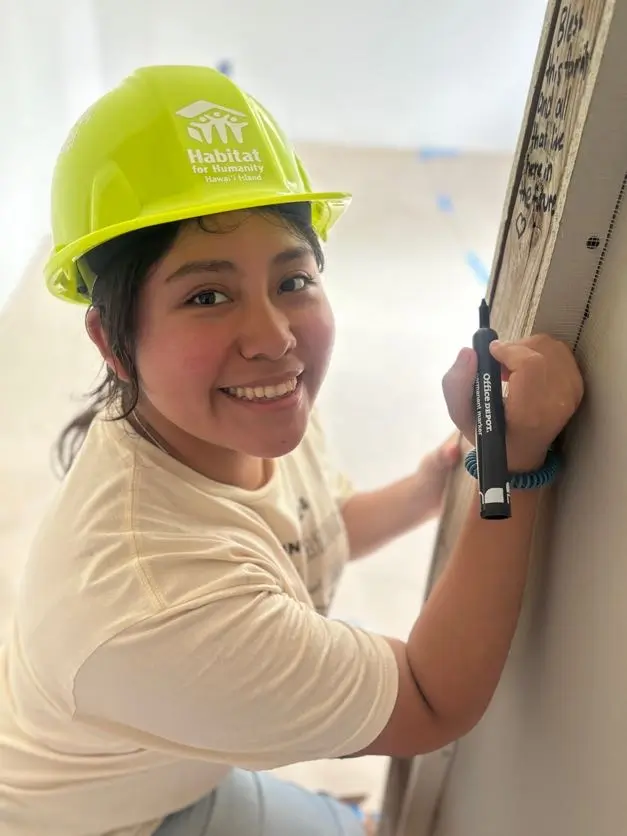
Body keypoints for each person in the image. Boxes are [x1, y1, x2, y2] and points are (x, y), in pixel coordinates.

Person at [0, 65, 584, 836]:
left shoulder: (214, 421)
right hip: (101, 822)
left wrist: (431, 481)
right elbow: (429, 699)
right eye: (206, 296)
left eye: (293, 279)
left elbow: (313, 521)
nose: (274, 339)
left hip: (168, 763)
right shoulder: (153, 604)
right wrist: (510, 467)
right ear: (113, 341)